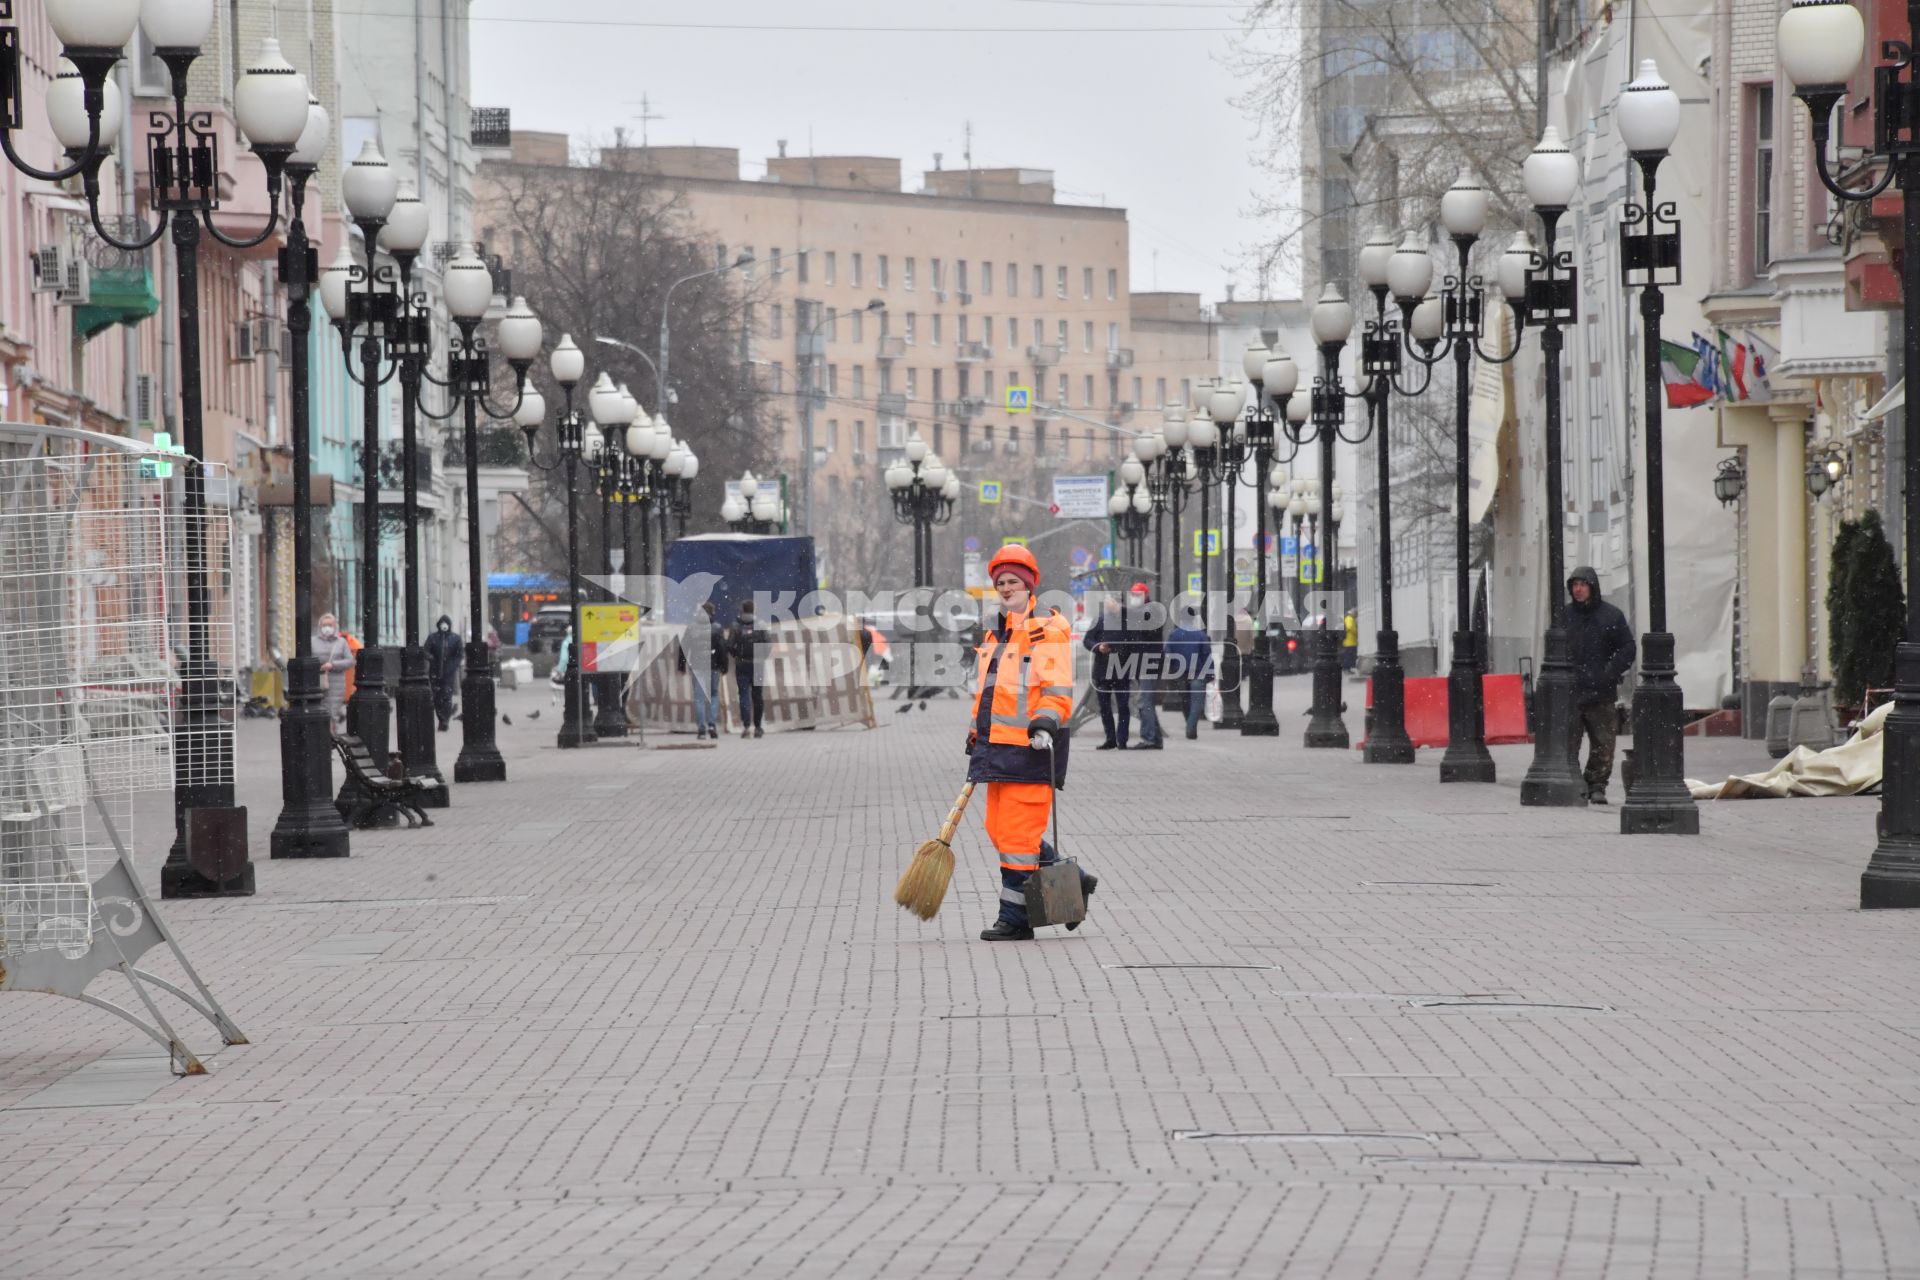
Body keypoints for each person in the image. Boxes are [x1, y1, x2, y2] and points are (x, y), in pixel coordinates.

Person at [966, 545, 1096, 941]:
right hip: (996, 747)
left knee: (1019, 839)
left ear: (1029, 585)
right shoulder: (996, 631)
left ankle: (1016, 919)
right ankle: (1070, 880)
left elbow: (1057, 690)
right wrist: (976, 730)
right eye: (1001, 583)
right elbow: (989, 692)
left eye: (1013, 582)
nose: (1006, 588)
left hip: (1032, 747)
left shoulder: (1047, 628)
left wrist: (1044, 723)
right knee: (998, 830)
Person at [1564, 565, 1637, 804]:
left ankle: (1597, 785)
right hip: (1572, 691)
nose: (1578, 589)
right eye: (1575, 585)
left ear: (1592, 587)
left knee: (1603, 744)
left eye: (1583, 585)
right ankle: (1574, 782)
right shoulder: (1564, 616)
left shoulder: (1611, 616)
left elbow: (1627, 648)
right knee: (1568, 742)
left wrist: (1609, 671)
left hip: (1601, 691)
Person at [1081, 596, 1133, 749]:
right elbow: (1087, 640)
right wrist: (1098, 647)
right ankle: (1110, 738)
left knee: (1123, 706)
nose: (1112, 604)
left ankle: (1122, 740)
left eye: (1115, 602)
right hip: (1102, 670)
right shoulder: (1100, 620)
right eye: (1110, 601)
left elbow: (1136, 642)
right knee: (1104, 707)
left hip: (1122, 669)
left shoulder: (1128, 621)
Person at [677, 600, 729, 739]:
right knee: (713, 695)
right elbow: (722, 649)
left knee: (699, 699)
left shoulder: (691, 627)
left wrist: (681, 666)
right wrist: (724, 666)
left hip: (697, 666)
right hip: (713, 667)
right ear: (712, 613)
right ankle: (712, 724)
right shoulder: (717, 628)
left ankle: (701, 729)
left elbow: (683, 648)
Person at [1124, 582, 1164, 749]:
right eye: (1133, 595)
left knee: (1144, 701)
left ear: (1146, 595)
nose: (1135, 598)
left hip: (1149, 661)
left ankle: (1149, 738)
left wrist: (1123, 610)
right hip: (1142, 662)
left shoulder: (1151, 611)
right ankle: (1155, 739)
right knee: (1146, 701)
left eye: (1138, 595)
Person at [1165, 614, 1214, 740]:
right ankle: (1191, 728)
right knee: (1196, 703)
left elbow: (1168, 654)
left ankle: (1189, 724)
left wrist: (1172, 669)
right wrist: (1210, 673)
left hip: (1180, 673)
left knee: (1185, 700)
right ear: (1193, 620)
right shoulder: (1201, 635)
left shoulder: (1174, 635)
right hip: (1198, 673)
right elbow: (1207, 655)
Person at [728, 599, 766, 738]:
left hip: (742, 664)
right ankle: (758, 726)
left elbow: (730, 645)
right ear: (753, 610)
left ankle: (746, 726)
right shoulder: (760, 625)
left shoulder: (736, 626)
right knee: (758, 696)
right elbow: (767, 644)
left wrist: (736, 655)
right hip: (758, 665)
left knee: (744, 695)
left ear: (742, 610)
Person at [313, 613, 353, 730]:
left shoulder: (341, 642)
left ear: (335, 626)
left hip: (336, 684)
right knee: (319, 712)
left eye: (330, 625)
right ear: (320, 626)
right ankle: (323, 738)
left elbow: (350, 661)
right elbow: (307, 659)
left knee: (331, 713)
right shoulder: (312, 642)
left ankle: (330, 738)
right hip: (318, 681)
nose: (327, 627)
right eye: (324, 625)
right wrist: (318, 666)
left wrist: (333, 665)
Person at [425, 614, 463, 731]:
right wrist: (432, 658)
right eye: (442, 623)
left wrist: (453, 666)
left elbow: (459, 655)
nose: (444, 625)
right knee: (437, 697)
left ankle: (445, 720)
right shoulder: (433, 638)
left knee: (446, 696)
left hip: (448, 673)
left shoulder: (455, 638)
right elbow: (426, 651)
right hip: (435, 672)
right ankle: (441, 718)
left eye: (446, 623)